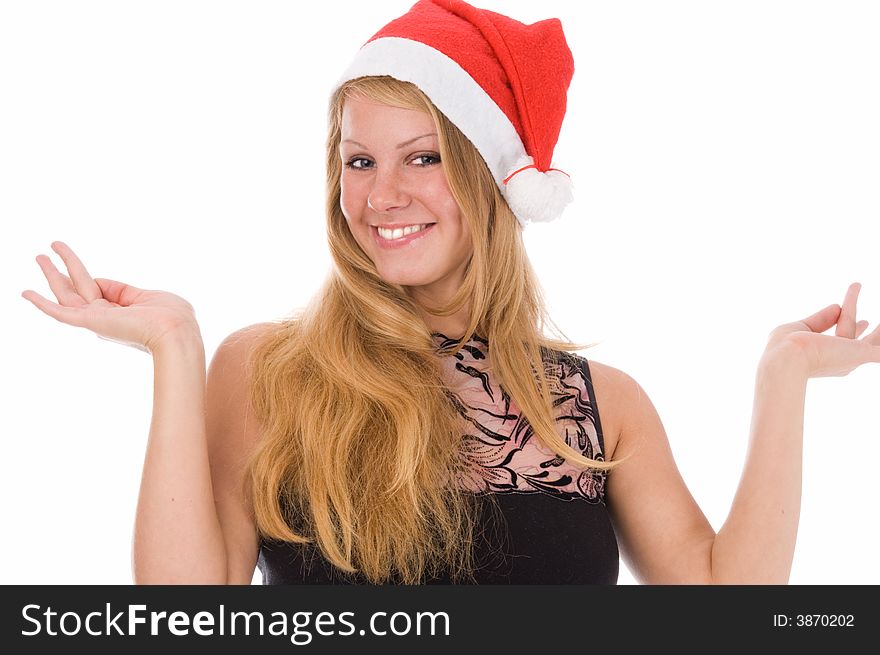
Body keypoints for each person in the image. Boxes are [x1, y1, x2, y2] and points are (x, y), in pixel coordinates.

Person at [21, 0, 879, 585]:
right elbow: (186, 611)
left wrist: (785, 376)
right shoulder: (270, 370)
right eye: (360, 160)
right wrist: (177, 348)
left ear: (493, 180)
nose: (381, 195)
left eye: (422, 157)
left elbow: (724, 603)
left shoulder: (599, 406)